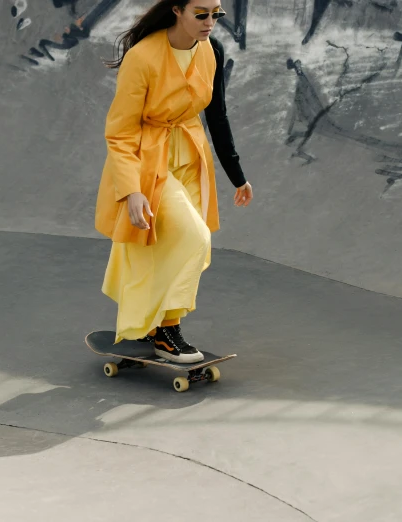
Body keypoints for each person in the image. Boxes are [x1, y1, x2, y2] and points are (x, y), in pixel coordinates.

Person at [94, 0, 252, 364]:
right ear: (177, 10)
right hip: (150, 160)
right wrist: (131, 190)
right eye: (201, 13)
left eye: (217, 14)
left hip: (192, 156)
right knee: (195, 237)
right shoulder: (143, 57)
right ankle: (166, 333)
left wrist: (237, 176)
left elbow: (217, 114)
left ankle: (160, 324)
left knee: (172, 245)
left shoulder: (211, 50)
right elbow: (120, 132)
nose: (210, 22)